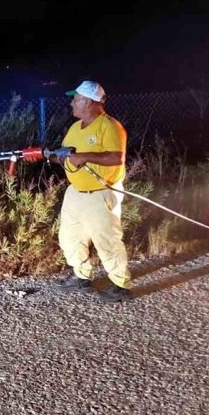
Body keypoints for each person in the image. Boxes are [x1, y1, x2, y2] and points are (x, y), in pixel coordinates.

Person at [53, 80, 133, 302]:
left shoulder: (110, 126)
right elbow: (65, 155)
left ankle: (120, 285)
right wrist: (50, 156)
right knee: (70, 237)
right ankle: (81, 276)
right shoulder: (75, 128)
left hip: (101, 193)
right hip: (75, 192)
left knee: (106, 240)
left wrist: (85, 157)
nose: (71, 103)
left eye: (76, 99)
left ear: (88, 102)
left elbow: (117, 158)